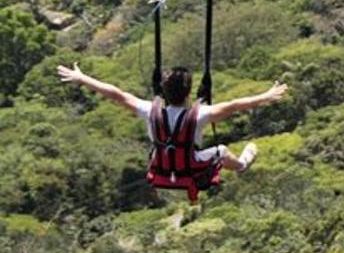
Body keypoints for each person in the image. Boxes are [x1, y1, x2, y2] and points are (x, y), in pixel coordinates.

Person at [57, 63, 287, 176]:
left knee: (173, 147)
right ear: (188, 94)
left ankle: (239, 165)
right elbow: (237, 105)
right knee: (222, 150)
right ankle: (241, 166)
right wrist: (266, 96)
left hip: (161, 165)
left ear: (163, 92)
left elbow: (116, 94)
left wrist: (82, 78)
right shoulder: (200, 114)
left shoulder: (150, 110)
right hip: (191, 165)